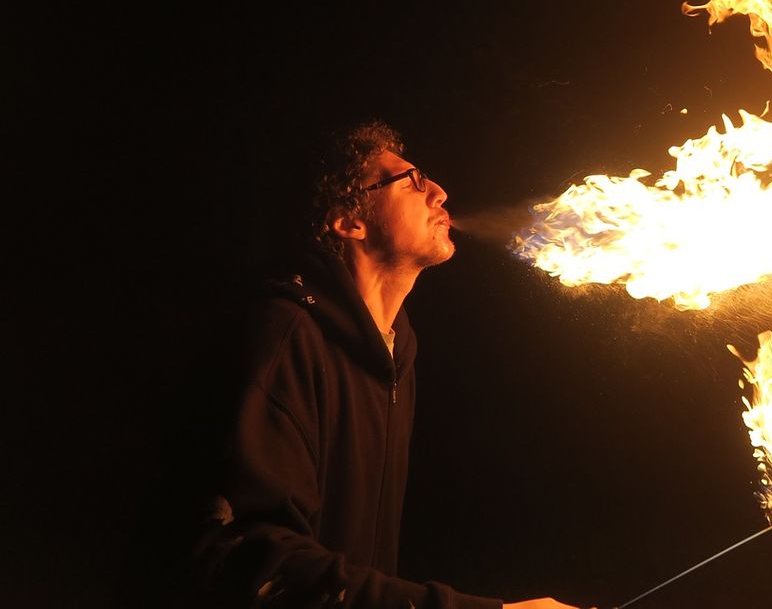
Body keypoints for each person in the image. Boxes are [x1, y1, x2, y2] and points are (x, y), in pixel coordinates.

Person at [181, 120, 580, 609]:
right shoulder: (283, 336)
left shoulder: (394, 358)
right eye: (411, 181)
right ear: (350, 222)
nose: (438, 191)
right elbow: (248, 563)